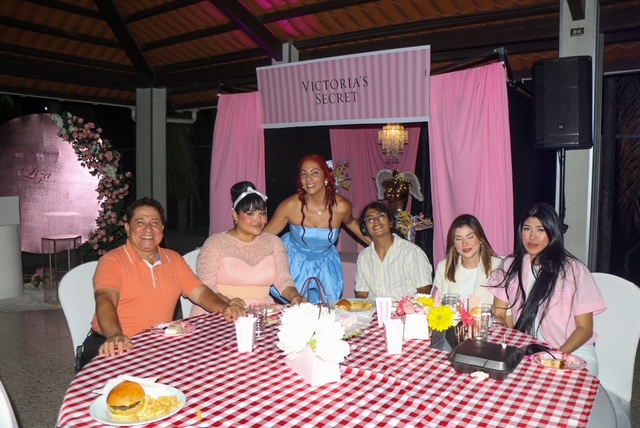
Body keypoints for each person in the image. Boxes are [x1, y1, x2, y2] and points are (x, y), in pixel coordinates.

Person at [80, 197, 245, 369]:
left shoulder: (174, 259)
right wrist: (115, 335)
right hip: (113, 343)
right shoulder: (112, 261)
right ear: (127, 227)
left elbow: (200, 293)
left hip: (157, 346)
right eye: (140, 222)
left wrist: (224, 307)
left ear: (162, 229)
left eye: (155, 223)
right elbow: (105, 300)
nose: (148, 228)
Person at [487, 203, 607, 374]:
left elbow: (585, 330)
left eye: (540, 230)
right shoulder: (509, 266)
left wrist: (554, 357)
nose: (532, 236)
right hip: (529, 350)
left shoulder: (574, 270)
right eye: (527, 229)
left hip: (572, 351)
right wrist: (496, 325)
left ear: (553, 232)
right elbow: (499, 314)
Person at [264, 154, 369, 303]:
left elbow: (354, 225)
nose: (309, 179)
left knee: (323, 311)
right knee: (297, 310)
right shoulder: (290, 206)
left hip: (325, 267)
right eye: (304, 174)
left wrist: (388, 246)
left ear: (326, 177)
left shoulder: (341, 206)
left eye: (314, 173)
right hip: (294, 264)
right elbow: (263, 238)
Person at [190, 181, 305, 316]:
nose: (258, 220)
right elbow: (206, 285)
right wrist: (227, 302)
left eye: (262, 213)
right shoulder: (215, 243)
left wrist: (295, 296)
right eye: (250, 213)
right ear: (235, 215)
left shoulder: (274, 242)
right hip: (221, 308)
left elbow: (283, 279)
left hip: (263, 310)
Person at [354, 202, 433, 300]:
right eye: (370, 219)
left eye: (381, 216)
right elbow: (361, 294)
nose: (376, 221)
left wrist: (407, 307)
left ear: (390, 222)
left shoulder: (412, 252)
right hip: (375, 309)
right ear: (365, 227)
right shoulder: (363, 257)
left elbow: (424, 290)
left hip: (407, 308)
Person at [432, 214, 502, 304]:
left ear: (480, 239)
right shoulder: (444, 267)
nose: (465, 244)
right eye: (458, 239)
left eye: (470, 237)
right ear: (453, 244)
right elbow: (434, 304)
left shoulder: (497, 267)